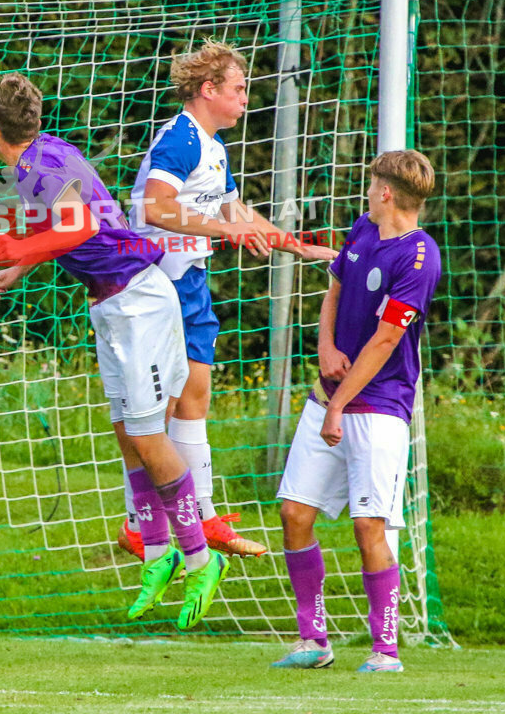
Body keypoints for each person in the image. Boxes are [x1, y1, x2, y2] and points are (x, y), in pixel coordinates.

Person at [0, 73, 229, 631]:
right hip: (114, 303)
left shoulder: (37, 169)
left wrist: (19, 246)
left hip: (138, 299)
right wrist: (20, 265)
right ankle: (159, 550)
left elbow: (80, 225)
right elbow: (77, 229)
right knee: (126, 431)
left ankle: (199, 557)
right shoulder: (48, 155)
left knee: (146, 434)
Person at [118, 41, 337, 562]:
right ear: (208, 90)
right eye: (239, 89)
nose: (245, 98)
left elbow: (235, 211)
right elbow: (154, 206)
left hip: (188, 282)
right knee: (157, 410)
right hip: (153, 283)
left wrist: (298, 246)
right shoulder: (180, 138)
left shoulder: (213, 148)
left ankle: (206, 515)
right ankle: (138, 521)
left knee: (195, 397)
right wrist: (222, 228)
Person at [272, 149, 441, 673]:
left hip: (379, 406)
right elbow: (335, 289)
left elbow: (387, 339)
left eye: (371, 185)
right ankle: (312, 641)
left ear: (386, 191)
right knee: (294, 512)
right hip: (330, 397)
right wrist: (324, 347)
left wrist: (338, 406)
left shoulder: (419, 258)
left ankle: (384, 650)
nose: (367, 193)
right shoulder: (363, 230)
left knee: (369, 525)